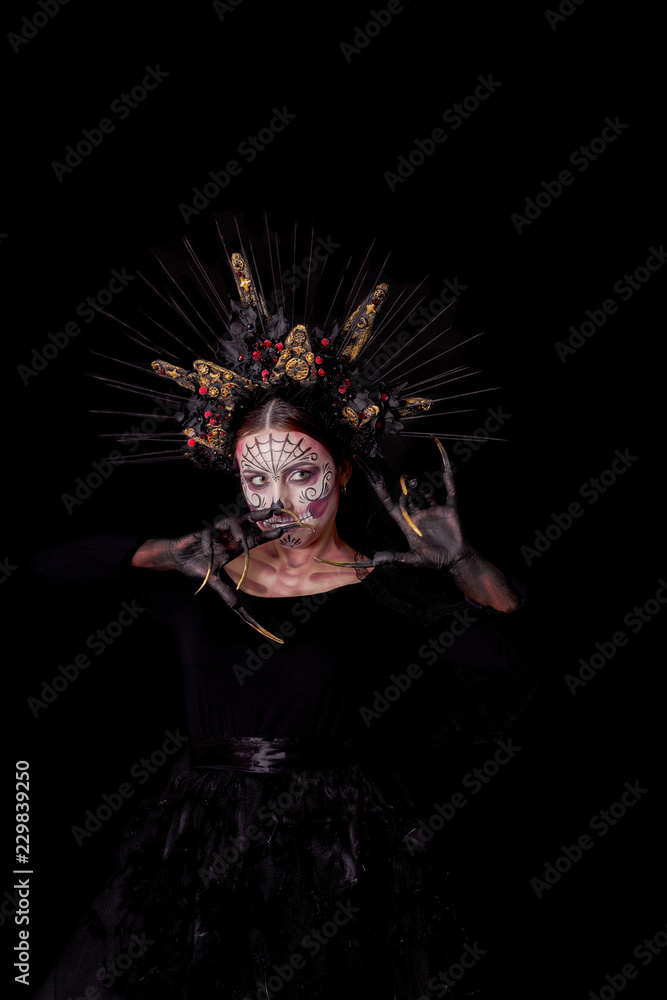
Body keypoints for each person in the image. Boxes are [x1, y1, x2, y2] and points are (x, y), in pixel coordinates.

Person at [31, 223, 533, 999]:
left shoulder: (381, 584)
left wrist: (457, 557)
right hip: (190, 845)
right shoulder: (200, 577)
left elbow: (505, 665)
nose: (278, 500)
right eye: (254, 479)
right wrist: (156, 550)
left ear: (342, 469)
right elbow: (47, 569)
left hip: (331, 852)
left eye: (302, 474)